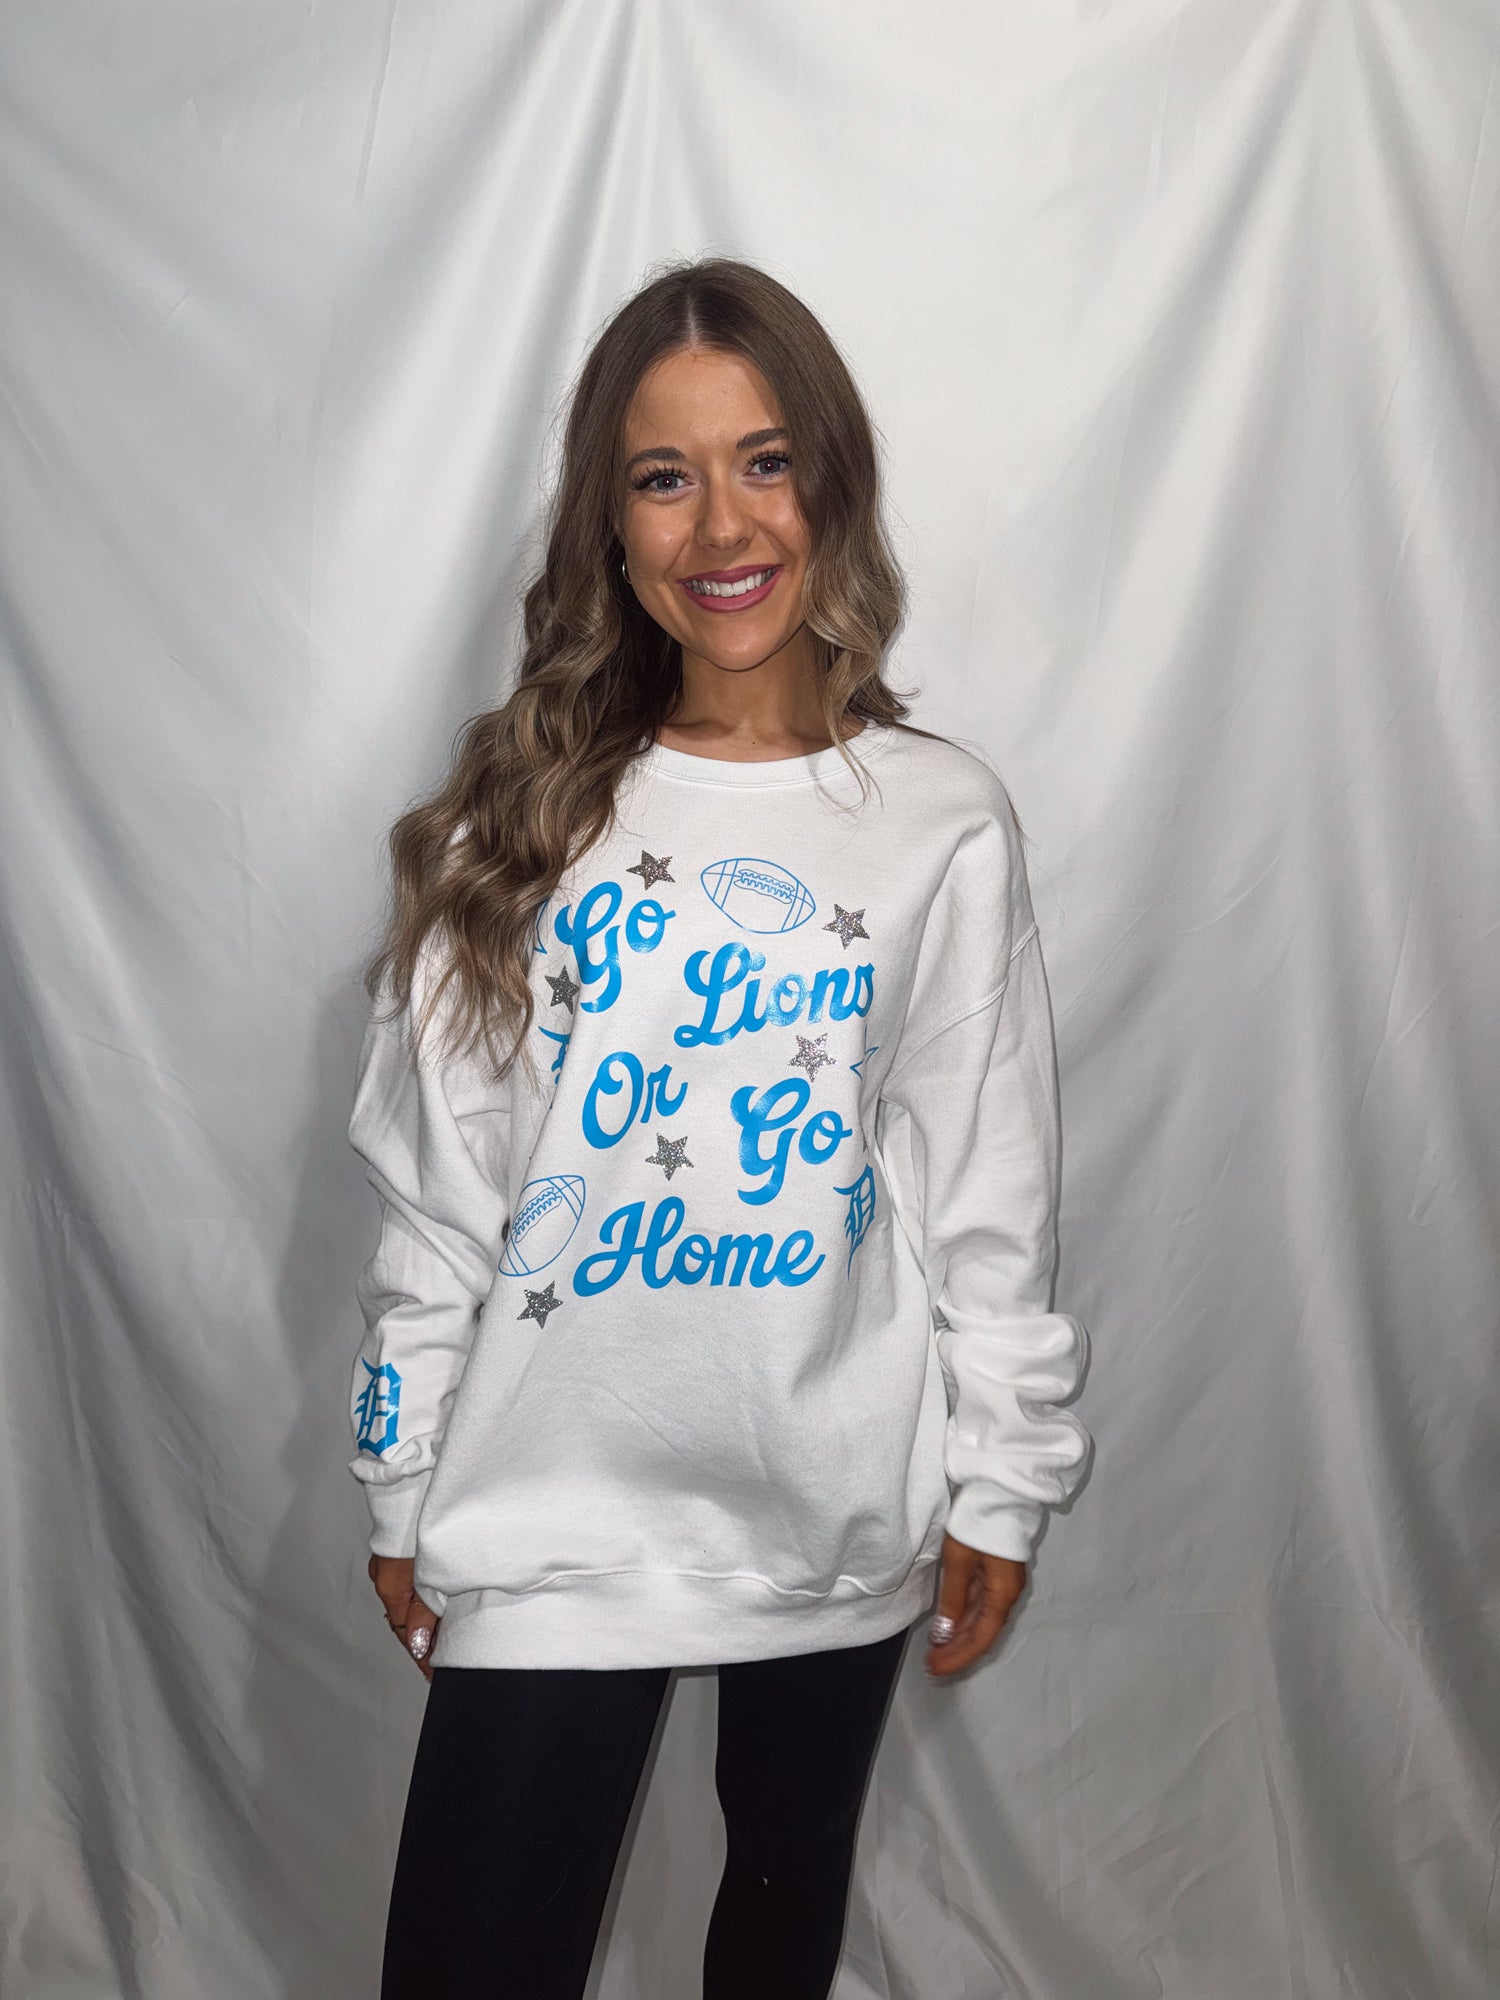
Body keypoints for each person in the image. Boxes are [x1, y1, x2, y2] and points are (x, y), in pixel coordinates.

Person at [346, 256, 1092, 2000]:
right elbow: (441, 1198)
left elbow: (987, 1189)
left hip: (829, 1504)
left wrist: (1006, 1476)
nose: (723, 526)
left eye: (766, 462)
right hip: (548, 1511)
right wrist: (400, 1468)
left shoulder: (938, 822)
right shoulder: (511, 826)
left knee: (777, 1927)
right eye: (663, 478)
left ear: (831, 483)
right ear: (609, 530)